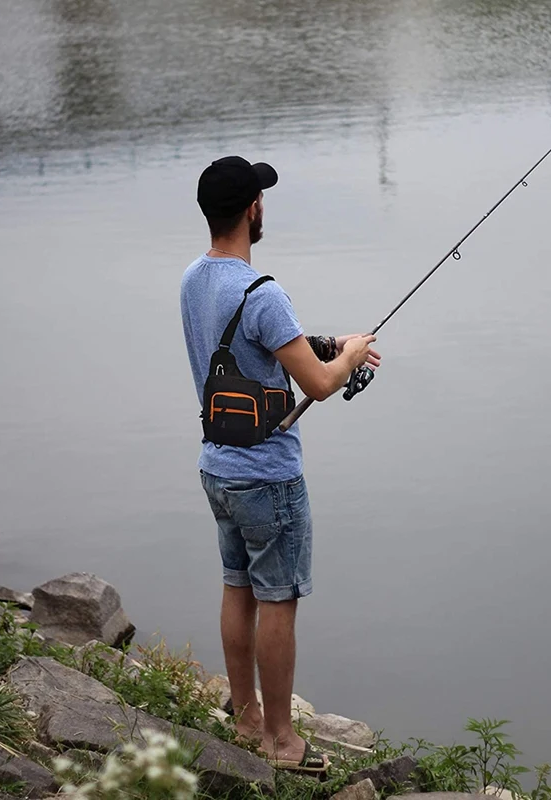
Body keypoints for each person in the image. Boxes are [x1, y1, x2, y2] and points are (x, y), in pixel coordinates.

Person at [179, 156, 380, 773]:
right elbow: (318, 384)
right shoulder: (263, 293)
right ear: (252, 210)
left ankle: (244, 720)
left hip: (218, 468)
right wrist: (350, 354)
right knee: (280, 599)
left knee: (237, 585)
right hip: (268, 478)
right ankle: (281, 741)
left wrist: (322, 342)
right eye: (261, 197)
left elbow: (251, 349)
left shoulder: (193, 279)